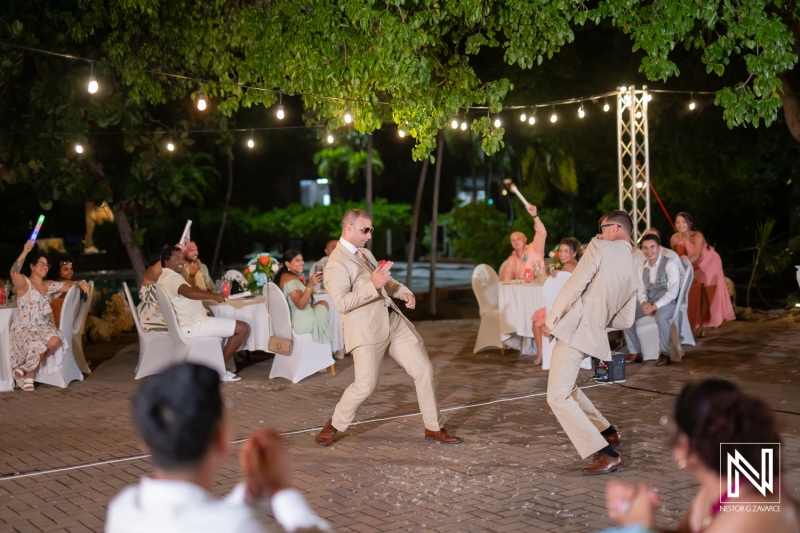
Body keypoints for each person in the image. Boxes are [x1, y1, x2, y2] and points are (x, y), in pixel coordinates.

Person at [105, 362, 331, 533]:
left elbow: (202, 516)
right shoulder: (237, 526)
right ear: (221, 440)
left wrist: (253, 490)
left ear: (145, 443)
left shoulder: (125, 507)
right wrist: (281, 490)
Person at [314, 209, 460, 446]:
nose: (369, 235)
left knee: (424, 370)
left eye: (371, 230)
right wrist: (373, 285)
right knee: (365, 386)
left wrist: (402, 291)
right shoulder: (335, 264)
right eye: (365, 230)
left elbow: (386, 282)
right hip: (366, 331)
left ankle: (434, 427)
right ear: (348, 228)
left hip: (394, 321)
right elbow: (341, 303)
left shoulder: (365, 253)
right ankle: (335, 424)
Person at [604, 379, 798, 533]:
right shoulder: (717, 489)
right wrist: (642, 517)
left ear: (684, 448)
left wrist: (638, 526)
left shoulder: (751, 509)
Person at [542, 210, 639, 474]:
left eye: (603, 226)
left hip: (576, 329)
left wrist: (552, 320)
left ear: (616, 228)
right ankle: (607, 431)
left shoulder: (600, 247)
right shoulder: (633, 264)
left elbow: (574, 285)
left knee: (557, 397)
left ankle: (608, 455)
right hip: (592, 333)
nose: (600, 231)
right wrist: (600, 319)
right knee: (567, 388)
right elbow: (627, 319)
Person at [8, 240, 90, 391]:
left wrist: (81, 281)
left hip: (42, 325)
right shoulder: (24, 283)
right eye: (41, 264)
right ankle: (31, 373)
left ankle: (26, 368)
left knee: (56, 339)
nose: (45, 267)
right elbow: (13, 272)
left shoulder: (48, 285)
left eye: (47, 265)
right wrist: (25, 251)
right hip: (24, 326)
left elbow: (67, 285)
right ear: (32, 266)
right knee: (35, 342)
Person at [158, 247, 248, 381]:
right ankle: (218, 369)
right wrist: (213, 295)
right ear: (166, 261)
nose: (181, 260)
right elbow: (188, 292)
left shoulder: (165, 276)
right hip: (194, 324)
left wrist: (192, 275)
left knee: (226, 328)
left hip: (190, 323)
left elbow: (188, 289)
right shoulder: (171, 277)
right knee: (242, 328)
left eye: (182, 257)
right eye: (176, 258)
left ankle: (215, 367)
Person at [669, 212, 735, 335]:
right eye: (678, 222)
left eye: (684, 222)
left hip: (710, 262)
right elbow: (676, 256)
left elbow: (697, 254)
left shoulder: (697, 236)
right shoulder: (674, 238)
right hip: (693, 266)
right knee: (693, 293)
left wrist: (685, 263)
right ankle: (692, 324)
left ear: (690, 223)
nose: (681, 225)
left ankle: (699, 326)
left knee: (705, 292)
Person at [624, 233, 682, 367]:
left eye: (652, 247)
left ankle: (664, 354)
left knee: (661, 317)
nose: (649, 251)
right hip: (649, 301)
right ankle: (635, 352)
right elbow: (641, 289)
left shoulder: (669, 264)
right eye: (645, 248)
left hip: (667, 302)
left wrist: (655, 306)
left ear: (659, 248)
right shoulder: (642, 266)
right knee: (628, 314)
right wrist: (644, 302)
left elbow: (673, 292)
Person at [530, 237, 580, 365]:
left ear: (574, 253)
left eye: (566, 251)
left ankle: (541, 352)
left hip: (564, 309)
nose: (562, 254)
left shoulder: (569, 265)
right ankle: (543, 352)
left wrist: (556, 274)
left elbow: (557, 287)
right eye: (560, 251)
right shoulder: (577, 264)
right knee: (539, 315)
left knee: (536, 319)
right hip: (570, 305)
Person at [273, 250, 332, 345]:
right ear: (287, 264)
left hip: (289, 320)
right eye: (297, 260)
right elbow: (301, 305)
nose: (302, 263)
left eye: (302, 260)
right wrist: (310, 285)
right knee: (324, 304)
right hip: (301, 323)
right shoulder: (291, 281)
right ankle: (321, 344)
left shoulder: (282, 276)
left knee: (321, 303)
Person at [499, 204, 547, 281]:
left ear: (525, 239)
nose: (516, 241)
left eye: (518, 239)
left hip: (539, 288)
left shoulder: (535, 248)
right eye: (513, 240)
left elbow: (541, 232)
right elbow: (505, 281)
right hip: (523, 290)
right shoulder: (511, 260)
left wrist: (535, 215)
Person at [137, 252, 168, 334]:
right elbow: (155, 271)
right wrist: (169, 255)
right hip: (155, 322)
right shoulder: (151, 272)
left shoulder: (167, 279)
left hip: (166, 321)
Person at [49, 256, 75, 327]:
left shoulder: (73, 285)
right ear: (57, 271)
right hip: (59, 323)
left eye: (71, 269)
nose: (70, 272)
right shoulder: (53, 285)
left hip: (64, 323)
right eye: (66, 269)